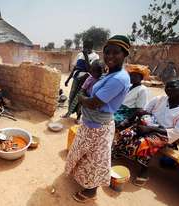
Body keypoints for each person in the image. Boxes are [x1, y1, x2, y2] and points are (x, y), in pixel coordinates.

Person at [65, 35, 131, 203]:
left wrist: (81, 99)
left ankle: (90, 192)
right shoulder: (111, 74)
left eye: (115, 53)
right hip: (91, 123)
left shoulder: (119, 78)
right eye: (107, 52)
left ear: (125, 54)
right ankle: (81, 179)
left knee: (95, 161)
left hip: (99, 127)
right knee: (83, 154)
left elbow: (94, 103)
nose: (109, 56)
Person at [112, 79, 179, 186]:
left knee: (142, 144)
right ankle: (120, 152)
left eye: (173, 87)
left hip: (164, 133)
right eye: (167, 86)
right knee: (125, 134)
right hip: (148, 125)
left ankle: (144, 170)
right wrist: (140, 120)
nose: (169, 89)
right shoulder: (159, 99)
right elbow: (144, 111)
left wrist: (150, 129)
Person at [62, 40, 99, 119]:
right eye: (84, 47)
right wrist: (68, 79)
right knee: (72, 96)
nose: (85, 49)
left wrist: (86, 56)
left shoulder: (95, 56)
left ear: (91, 48)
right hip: (76, 78)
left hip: (85, 80)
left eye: (87, 47)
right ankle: (68, 113)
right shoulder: (79, 54)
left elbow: (90, 70)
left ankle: (78, 117)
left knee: (80, 98)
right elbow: (75, 68)